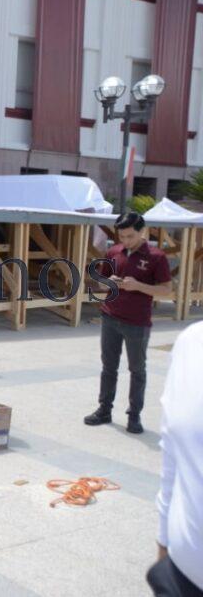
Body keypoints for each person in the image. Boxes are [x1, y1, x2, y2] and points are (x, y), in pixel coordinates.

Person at [84, 212, 171, 434]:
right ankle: (104, 410)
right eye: (121, 236)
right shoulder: (114, 251)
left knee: (137, 370)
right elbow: (100, 282)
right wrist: (108, 282)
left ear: (143, 231)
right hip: (110, 317)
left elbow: (166, 290)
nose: (125, 240)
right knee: (108, 367)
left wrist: (139, 286)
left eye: (130, 236)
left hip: (137, 322)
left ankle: (134, 415)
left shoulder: (156, 256)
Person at [149, 321, 203, 596]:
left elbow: (164, 288)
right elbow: (172, 454)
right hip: (180, 578)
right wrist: (163, 542)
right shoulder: (190, 344)